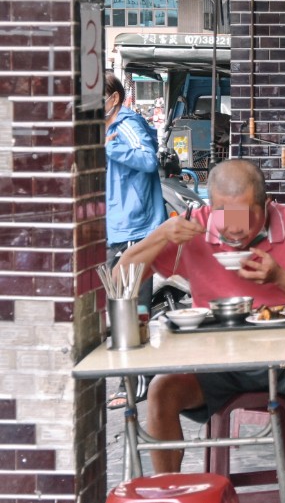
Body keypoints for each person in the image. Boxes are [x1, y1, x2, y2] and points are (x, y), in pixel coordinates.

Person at [117, 159, 285, 503]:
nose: (234, 229)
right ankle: (172, 491)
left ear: (267, 205)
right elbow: (120, 280)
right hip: (216, 365)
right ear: (210, 207)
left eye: (245, 216)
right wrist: (162, 233)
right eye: (224, 215)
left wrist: (280, 277)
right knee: (162, 390)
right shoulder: (195, 228)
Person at [104, 74, 166, 409]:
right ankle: (129, 380)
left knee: (131, 308)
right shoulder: (104, 127)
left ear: (113, 98)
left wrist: (111, 148)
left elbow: (146, 159)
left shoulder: (126, 123)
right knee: (120, 307)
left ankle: (134, 384)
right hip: (116, 227)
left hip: (135, 228)